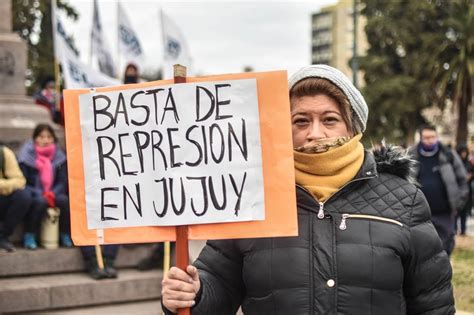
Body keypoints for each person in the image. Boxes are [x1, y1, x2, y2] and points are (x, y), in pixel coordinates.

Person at [161, 65, 455, 315]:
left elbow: (433, 304)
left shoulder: (403, 200)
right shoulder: (253, 199)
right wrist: (194, 293)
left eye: (329, 119)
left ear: (352, 128)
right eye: (301, 121)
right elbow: (218, 285)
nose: (315, 133)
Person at [409, 125, 468, 255]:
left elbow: (462, 180)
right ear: (420, 138)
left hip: (444, 213)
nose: (430, 140)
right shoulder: (411, 156)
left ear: (437, 137)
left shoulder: (448, 154)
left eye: (432, 137)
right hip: (419, 213)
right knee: (420, 247)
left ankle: (443, 272)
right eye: (426, 138)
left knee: (445, 246)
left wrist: (458, 203)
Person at [18, 124, 72, 249]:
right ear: (35, 138)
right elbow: (23, 181)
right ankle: (29, 234)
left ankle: (64, 234)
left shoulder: (60, 157)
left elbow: (62, 181)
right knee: (40, 202)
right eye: (41, 137)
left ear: (54, 139)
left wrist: (52, 193)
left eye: (49, 137)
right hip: (34, 192)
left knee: (64, 200)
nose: (45, 140)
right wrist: (41, 193)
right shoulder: (26, 156)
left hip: (54, 192)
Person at [0, 145, 32, 252]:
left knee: (23, 196)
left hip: (2, 197)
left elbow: (20, 180)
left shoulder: (4, 153)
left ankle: (3, 236)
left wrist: (2, 185)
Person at [455, 144, 472, 235]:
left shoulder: (468, 163)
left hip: (467, 190)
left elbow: (471, 173)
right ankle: (454, 229)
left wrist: (469, 176)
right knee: (456, 211)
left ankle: (463, 230)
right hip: (457, 190)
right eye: (462, 152)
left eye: (465, 152)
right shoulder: (455, 163)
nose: (463, 154)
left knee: (464, 212)